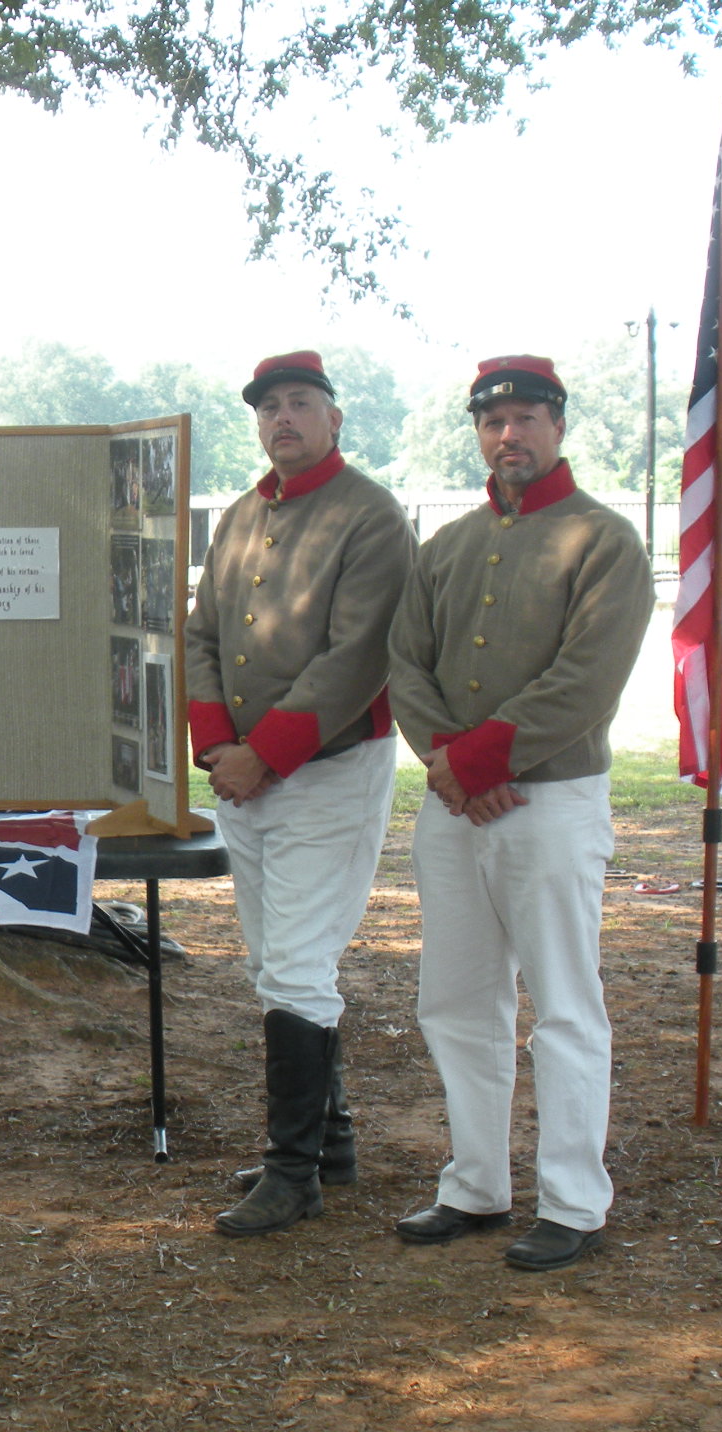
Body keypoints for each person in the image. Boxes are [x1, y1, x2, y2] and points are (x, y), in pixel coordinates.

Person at [387, 355, 654, 1272]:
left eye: (527, 418)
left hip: (551, 801)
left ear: (558, 426)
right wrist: (450, 765)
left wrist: (474, 760)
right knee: (456, 1001)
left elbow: (587, 680)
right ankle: (474, 1185)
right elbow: (404, 665)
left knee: (566, 1006)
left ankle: (576, 1202)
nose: (509, 436)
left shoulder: (604, 541)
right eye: (493, 422)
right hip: (455, 805)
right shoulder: (447, 548)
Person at [185, 350, 416, 1238]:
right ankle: (330, 1143)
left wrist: (264, 754)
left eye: (300, 403)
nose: (283, 418)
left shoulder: (370, 515)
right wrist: (216, 745)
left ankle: (294, 1177)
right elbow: (203, 631)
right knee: (275, 958)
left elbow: (358, 657)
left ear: (334, 417)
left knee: (296, 962)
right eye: (270, 406)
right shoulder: (245, 512)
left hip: (328, 769)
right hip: (243, 772)